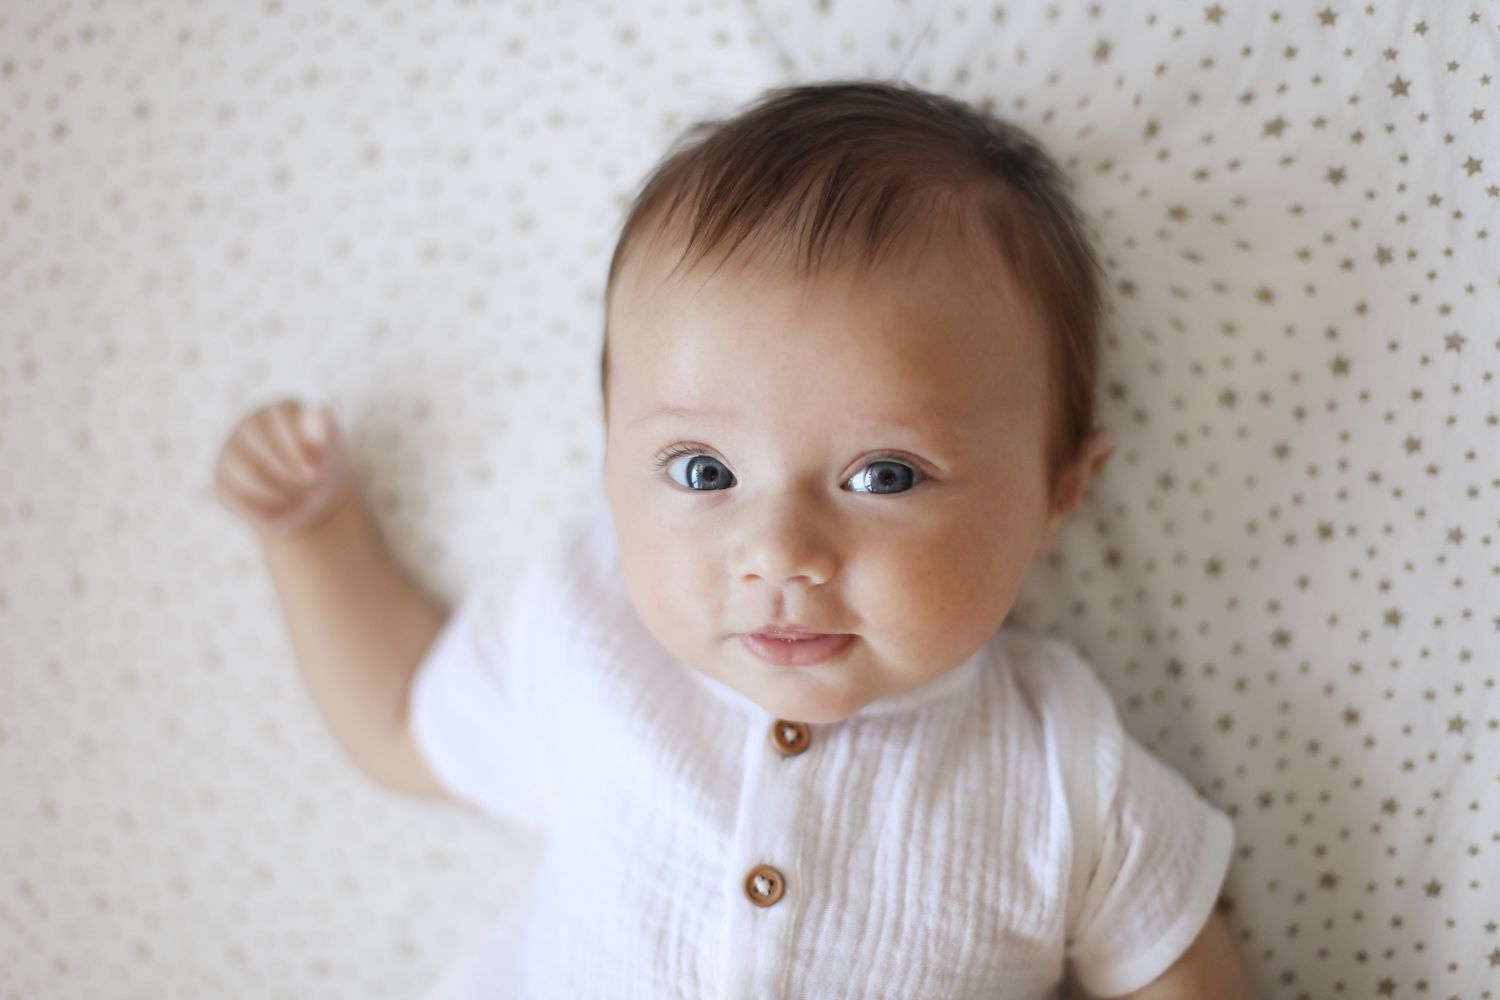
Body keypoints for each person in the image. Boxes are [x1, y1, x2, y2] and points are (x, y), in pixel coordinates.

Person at [213, 80, 1258, 999]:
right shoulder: (586, 637)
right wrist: (313, 535)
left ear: (1057, 492)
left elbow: (1172, 964)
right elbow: (402, 721)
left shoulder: (1058, 765)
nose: (782, 551)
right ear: (612, 460)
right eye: (703, 472)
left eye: (884, 475)